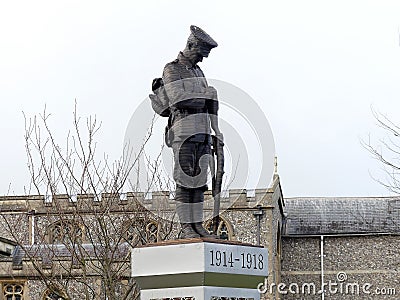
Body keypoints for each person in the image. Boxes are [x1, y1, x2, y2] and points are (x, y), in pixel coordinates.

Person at [162, 25, 223, 238]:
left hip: (203, 134)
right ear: (190, 45)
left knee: (199, 182)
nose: (203, 60)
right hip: (183, 133)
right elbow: (178, 98)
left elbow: (209, 102)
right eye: (201, 54)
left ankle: (197, 225)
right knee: (185, 179)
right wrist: (206, 95)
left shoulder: (199, 72)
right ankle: (186, 226)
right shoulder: (172, 69)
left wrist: (216, 130)